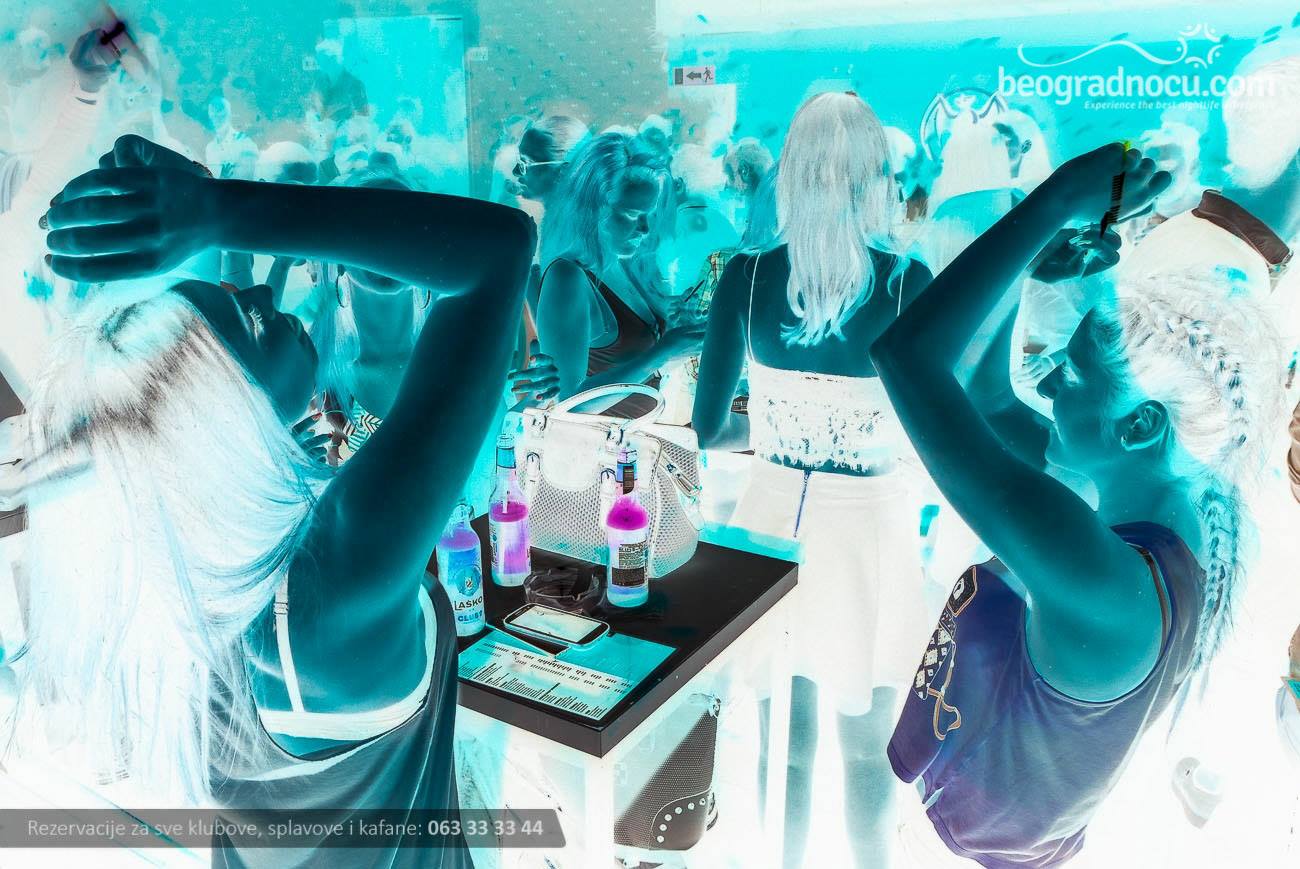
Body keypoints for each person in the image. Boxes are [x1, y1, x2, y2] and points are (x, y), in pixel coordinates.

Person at [9, 134, 534, 867]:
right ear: (228, 416)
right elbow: (498, 251)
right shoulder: (334, 573)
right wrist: (215, 210)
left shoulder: (177, 566)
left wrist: (195, 201)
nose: (260, 293)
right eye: (249, 321)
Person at [873, 144, 1286, 866]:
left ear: (1139, 424)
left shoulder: (1098, 573)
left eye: (1070, 372)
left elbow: (906, 356)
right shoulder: (1159, 512)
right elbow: (986, 394)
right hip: (1004, 839)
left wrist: (1055, 201)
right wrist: (1028, 271)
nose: (1048, 381)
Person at [692, 92, 933, 868]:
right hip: (869, 524)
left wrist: (776, 432)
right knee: (867, 748)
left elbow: (708, 429)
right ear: (876, 175)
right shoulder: (908, 283)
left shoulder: (745, 278)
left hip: (771, 519)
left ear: (791, 174)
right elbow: (930, 426)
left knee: (783, 748)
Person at [309, 164, 559, 479]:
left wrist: (535, 408)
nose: (387, 241)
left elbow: (489, 473)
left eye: (405, 225)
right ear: (339, 253)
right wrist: (298, 468)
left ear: (426, 250)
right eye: (369, 225)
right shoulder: (314, 376)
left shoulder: (461, 358)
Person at [536, 130, 703, 412]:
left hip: (638, 433)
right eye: (631, 215)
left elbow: (640, 372)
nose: (645, 228)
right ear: (591, 209)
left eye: (649, 214)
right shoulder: (567, 277)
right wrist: (661, 354)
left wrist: (674, 340)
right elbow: (568, 405)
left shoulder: (626, 264)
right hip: (596, 439)